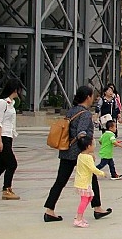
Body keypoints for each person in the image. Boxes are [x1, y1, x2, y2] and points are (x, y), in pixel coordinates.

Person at [44, 85, 112, 222]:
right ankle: (97, 208)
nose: (93, 98)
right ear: (87, 97)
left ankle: (49, 210)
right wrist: (87, 151)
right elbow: (81, 133)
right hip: (79, 152)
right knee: (92, 179)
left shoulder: (71, 111)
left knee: (60, 181)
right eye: (92, 96)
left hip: (66, 150)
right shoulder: (85, 114)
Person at [73, 136, 106, 228]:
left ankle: (80, 215)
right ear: (88, 146)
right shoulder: (87, 157)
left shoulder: (80, 155)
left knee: (89, 197)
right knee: (84, 199)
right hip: (84, 183)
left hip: (82, 181)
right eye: (93, 145)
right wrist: (102, 173)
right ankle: (78, 219)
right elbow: (93, 169)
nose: (94, 146)